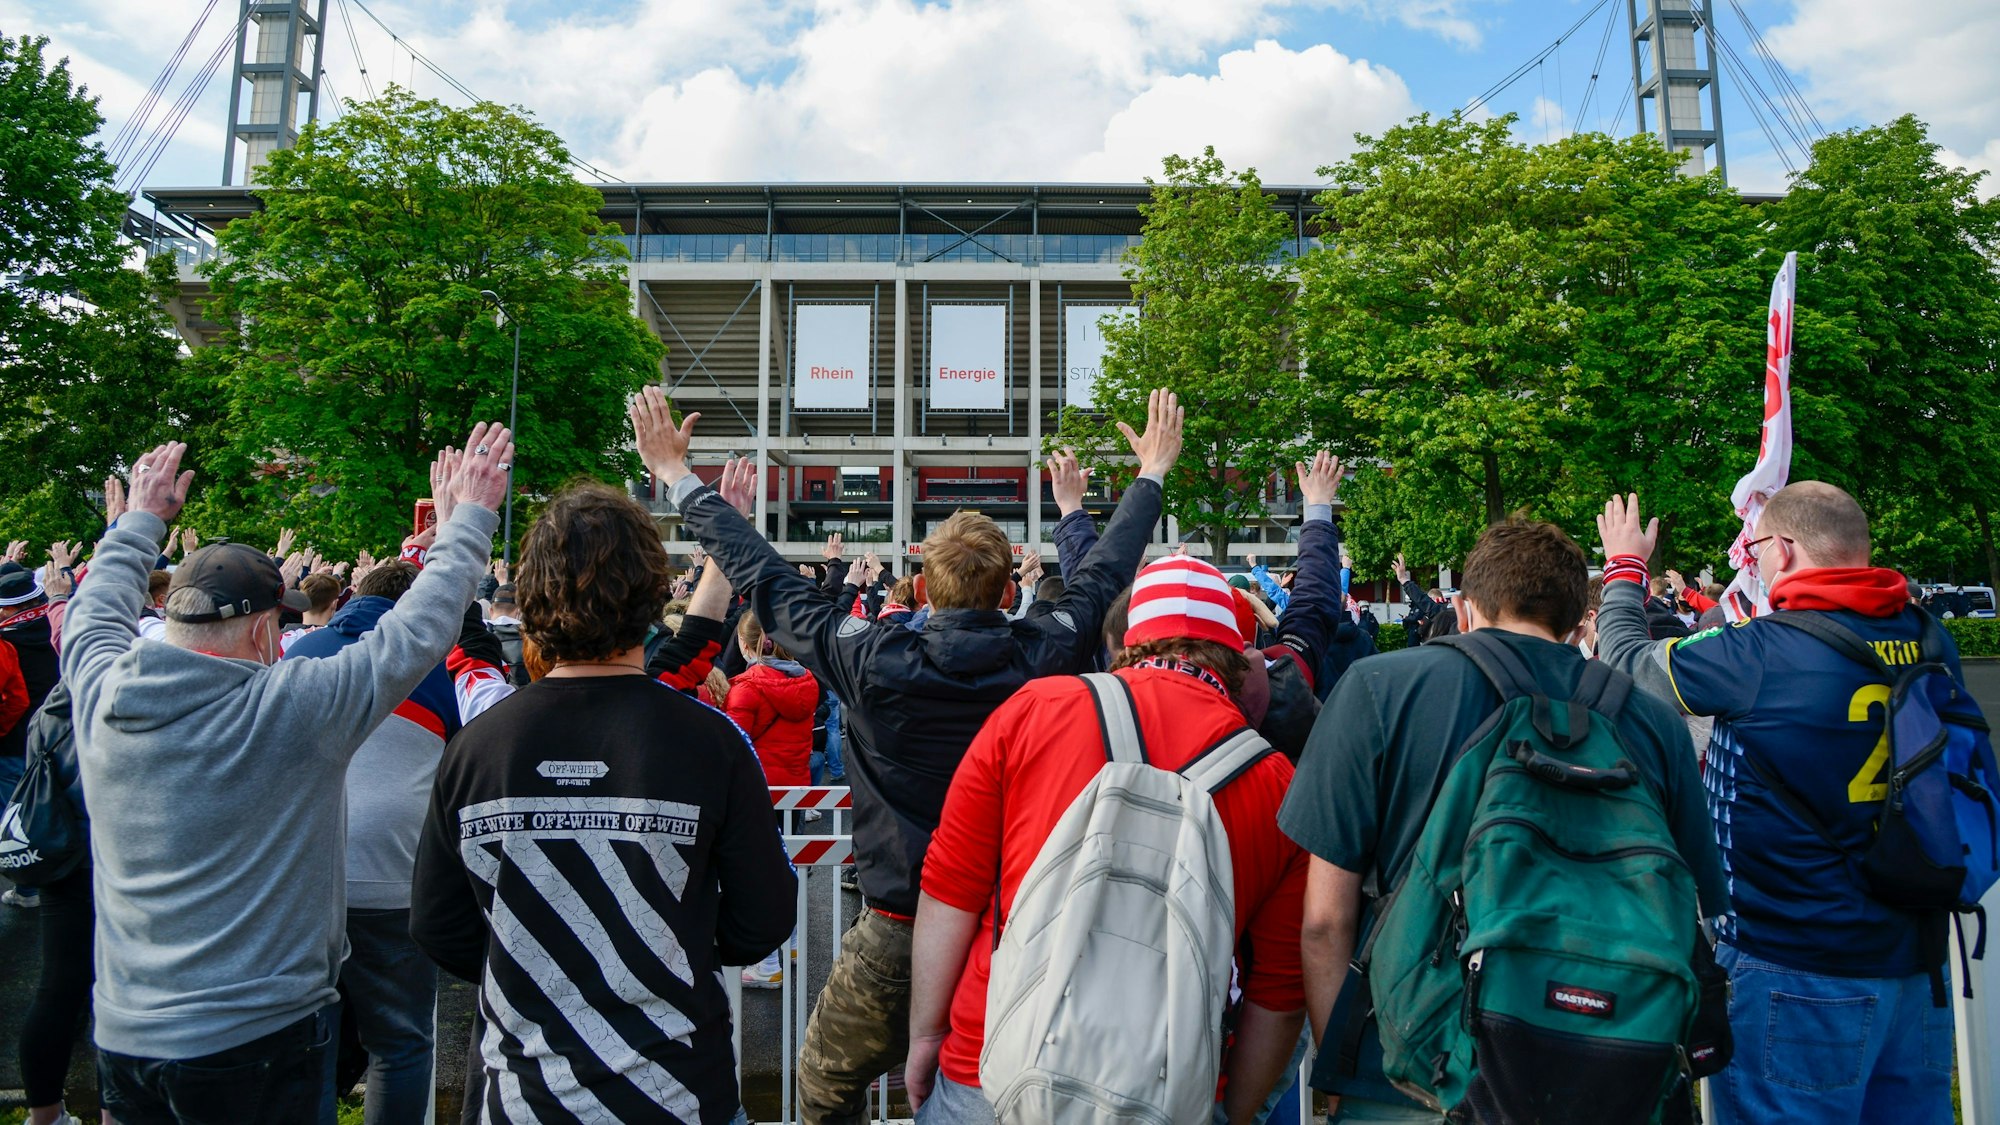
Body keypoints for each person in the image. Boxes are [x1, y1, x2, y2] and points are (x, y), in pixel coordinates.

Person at [631, 385, 1183, 1125]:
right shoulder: (1044, 650)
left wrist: (679, 479)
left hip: (898, 923)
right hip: (1020, 921)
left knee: (825, 1084)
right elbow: (1105, 574)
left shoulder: (874, 659)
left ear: (923, 581)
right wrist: (1148, 475)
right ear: (1002, 586)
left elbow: (762, 573)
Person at [63, 426, 511, 1125]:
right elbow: (416, 633)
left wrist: (136, 524)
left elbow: (92, 612)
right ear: (265, 632)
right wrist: (469, 519)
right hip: (259, 1037)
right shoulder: (292, 707)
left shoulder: (98, 688)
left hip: (124, 1032)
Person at [1281, 516, 1728, 1124]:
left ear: (1465, 609)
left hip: (1409, 1065)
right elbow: (1691, 903)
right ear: (1577, 628)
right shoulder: (1651, 722)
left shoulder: (1379, 689)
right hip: (1605, 1064)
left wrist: (1339, 1061)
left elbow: (1325, 922)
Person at [410, 479, 796, 1125]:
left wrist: (530, 955)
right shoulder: (710, 740)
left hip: (522, 1094)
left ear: (530, 597)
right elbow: (761, 918)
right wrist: (674, 944)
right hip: (678, 1092)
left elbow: (439, 924)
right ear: (651, 595)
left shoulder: (478, 744)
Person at [1592, 485, 1963, 1125]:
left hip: (1795, 967)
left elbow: (1626, 664)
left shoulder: (1759, 651)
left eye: (1756, 548)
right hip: (1916, 960)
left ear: (1785, 550)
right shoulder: (1930, 639)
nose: (1754, 562)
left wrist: (1625, 568)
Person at [907, 555, 1309, 1124]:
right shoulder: (1275, 785)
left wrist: (926, 1037)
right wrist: (1232, 1111)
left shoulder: (1036, 711)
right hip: (1166, 1093)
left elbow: (950, 890)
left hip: (994, 1066)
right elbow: (1279, 992)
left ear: (1129, 639)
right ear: (1238, 657)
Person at [280, 558, 474, 1125]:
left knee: (311, 1041)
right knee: (401, 1041)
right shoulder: (431, 668)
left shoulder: (300, 652)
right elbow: (455, 772)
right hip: (393, 874)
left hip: (305, 876)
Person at [2, 558, 63, 909]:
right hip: (58, 732)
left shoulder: (5, 642)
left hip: (15, 739)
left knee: (17, 816)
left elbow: (14, 699)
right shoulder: (59, 625)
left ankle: (27, 887)